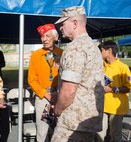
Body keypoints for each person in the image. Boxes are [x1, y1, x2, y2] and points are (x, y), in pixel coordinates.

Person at [51, 6, 104, 142]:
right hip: (87, 121)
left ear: (74, 23)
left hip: (71, 123)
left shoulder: (75, 48)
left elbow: (69, 90)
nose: (60, 28)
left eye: (63, 24)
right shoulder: (93, 46)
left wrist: (57, 109)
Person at [28, 23, 63, 142]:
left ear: (56, 37)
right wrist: (46, 95)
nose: (44, 39)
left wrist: (58, 95)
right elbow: (31, 80)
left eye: (47, 36)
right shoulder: (36, 55)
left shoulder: (63, 54)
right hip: (43, 98)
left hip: (60, 96)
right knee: (42, 131)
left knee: (60, 129)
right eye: (42, 36)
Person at [96, 40, 131, 142]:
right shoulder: (100, 65)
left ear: (109, 51)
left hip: (116, 109)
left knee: (115, 136)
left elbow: (129, 87)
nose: (99, 52)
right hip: (101, 106)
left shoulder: (123, 68)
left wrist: (111, 89)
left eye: (101, 50)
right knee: (99, 135)